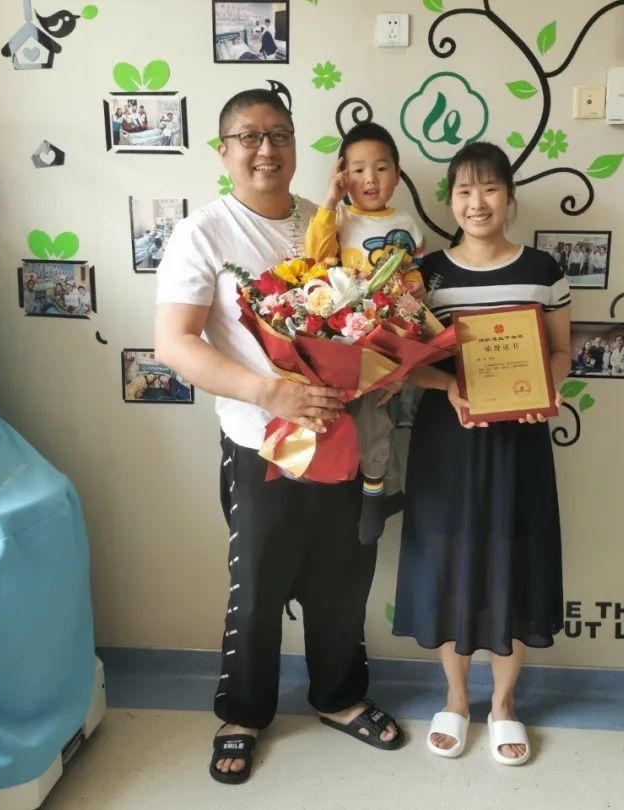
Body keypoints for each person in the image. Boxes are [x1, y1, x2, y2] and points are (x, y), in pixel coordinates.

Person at [154, 88, 403, 786]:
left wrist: (383, 370)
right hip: (260, 443)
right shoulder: (203, 233)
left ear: (295, 145)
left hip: (343, 437)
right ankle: (241, 715)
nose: (267, 149)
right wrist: (270, 392)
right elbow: (174, 343)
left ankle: (340, 696)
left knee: (343, 579)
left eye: (280, 135)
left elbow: (371, 319)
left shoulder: (329, 222)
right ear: (224, 151)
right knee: (258, 586)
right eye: (250, 136)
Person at [393, 141, 571, 766]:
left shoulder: (545, 269)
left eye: (490, 188)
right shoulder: (425, 275)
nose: (477, 202)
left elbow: (561, 352)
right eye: (465, 190)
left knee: (512, 564)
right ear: (450, 199)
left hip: (519, 439)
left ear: (509, 196)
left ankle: (502, 704)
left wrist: (543, 389)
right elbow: (406, 363)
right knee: (449, 562)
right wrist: (448, 387)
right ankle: (454, 697)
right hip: (448, 440)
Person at [304, 121, 425, 544]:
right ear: (343, 175)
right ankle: (329, 490)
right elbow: (315, 258)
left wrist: (412, 310)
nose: (370, 179)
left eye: (381, 168)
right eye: (357, 170)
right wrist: (329, 200)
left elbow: (414, 277)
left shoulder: (407, 223)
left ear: (397, 173)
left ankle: (377, 493)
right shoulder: (337, 218)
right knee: (332, 421)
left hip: (385, 339)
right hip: (339, 338)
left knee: (376, 419)